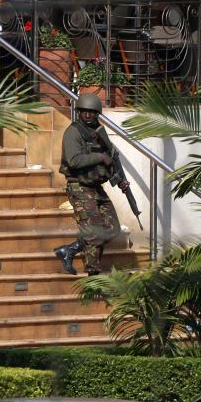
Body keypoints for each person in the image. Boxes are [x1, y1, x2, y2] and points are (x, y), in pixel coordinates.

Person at [54, 93, 126, 276]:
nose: (87, 115)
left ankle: (69, 250)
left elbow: (111, 160)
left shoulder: (99, 133)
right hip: (79, 186)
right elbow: (74, 160)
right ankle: (93, 276)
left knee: (112, 229)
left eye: (91, 112)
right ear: (79, 112)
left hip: (95, 186)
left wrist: (120, 181)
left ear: (97, 114)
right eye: (84, 112)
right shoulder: (73, 132)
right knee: (93, 232)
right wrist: (99, 156)